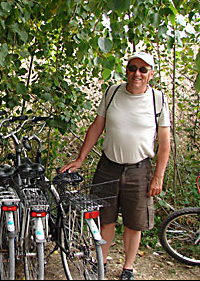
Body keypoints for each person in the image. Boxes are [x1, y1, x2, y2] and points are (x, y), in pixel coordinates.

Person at [60, 52, 171, 280]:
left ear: (151, 74)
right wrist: (80, 158)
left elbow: (164, 142)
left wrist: (158, 176)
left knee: (134, 223)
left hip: (139, 170)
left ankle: (128, 268)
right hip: (108, 166)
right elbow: (97, 126)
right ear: (126, 70)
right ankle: (99, 263)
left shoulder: (157, 100)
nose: (136, 74)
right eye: (132, 68)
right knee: (104, 218)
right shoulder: (111, 93)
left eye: (142, 70)